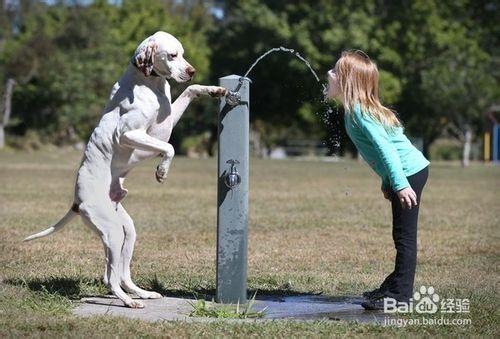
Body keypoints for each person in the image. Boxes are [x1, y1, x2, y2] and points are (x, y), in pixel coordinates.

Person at [324, 50, 430, 310]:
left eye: (336, 72)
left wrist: (400, 183)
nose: (329, 74)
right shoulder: (355, 111)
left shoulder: (360, 112)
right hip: (405, 173)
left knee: (404, 237)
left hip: (409, 174)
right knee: (400, 235)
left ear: (348, 81)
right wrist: (388, 182)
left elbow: (387, 150)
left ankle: (400, 296)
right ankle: (392, 287)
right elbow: (386, 150)